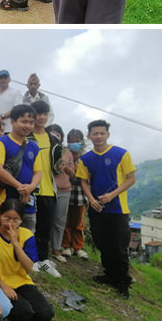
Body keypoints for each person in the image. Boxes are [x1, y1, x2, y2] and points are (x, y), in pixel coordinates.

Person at [76, 119, 135, 297]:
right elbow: (83, 181)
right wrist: (91, 199)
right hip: (97, 208)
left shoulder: (121, 154)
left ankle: (123, 281)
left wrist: (112, 195)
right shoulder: (86, 159)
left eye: (102, 133)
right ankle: (109, 274)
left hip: (118, 209)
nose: (99, 136)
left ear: (108, 134)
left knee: (119, 246)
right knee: (102, 242)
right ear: (89, 136)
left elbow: (131, 178)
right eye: (95, 133)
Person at [0, 199, 55, 321]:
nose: (10, 223)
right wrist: (4, 286)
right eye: (6, 218)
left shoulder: (26, 235)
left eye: (15, 220)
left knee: (45, 313)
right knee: (24, 312)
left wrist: (15, 243)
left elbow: (29, 267)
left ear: (21, 220)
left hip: (22, 281)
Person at [0, 105, 42, 229]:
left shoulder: (34, 147)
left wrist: (30, 188)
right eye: (23, 121)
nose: (27, 126)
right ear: (12, 122)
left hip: (28, 200)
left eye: (31, 122)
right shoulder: (0, 143)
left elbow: (38, 172)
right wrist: (21, 188)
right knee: (6, 235)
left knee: (28, 235)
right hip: (5, 200)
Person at [25, 100, 60, 277]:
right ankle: (30, 260)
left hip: (49, 190)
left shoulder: (54, 139)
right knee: (28, 228)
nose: (42, 117)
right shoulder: (25, 138)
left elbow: (56, 167)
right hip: (31, 189)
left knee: (45, 228)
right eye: (39, 114)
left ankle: (44, 260)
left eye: (45, 114)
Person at [60, 129, 89, 259]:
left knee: (78, 222)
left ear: (82, 142)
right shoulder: (64, 156)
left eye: (77, 142)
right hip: (65, 193)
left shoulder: (86, 159)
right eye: (72, 142)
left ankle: (78, 247)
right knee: (65, 221)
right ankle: (66, 246)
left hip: (80, 195)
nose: (74, 144)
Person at [46, 124, 73, 263]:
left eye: (58, 134)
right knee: (45, 219)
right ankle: (43, 248)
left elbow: (73, 173)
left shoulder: (66, 152)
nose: (55, 136)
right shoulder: (45, 147)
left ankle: (56, 249)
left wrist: (65, 166)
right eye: (52, 133)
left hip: (64, 190)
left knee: (59, 221)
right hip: (48, 188)